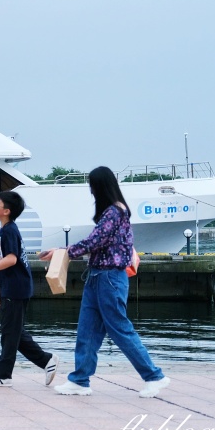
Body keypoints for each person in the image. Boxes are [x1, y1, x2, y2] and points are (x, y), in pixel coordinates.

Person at [41, 166, 170, 398]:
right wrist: (63, 251)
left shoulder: (114, 212)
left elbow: (94, 241)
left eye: (92, 186)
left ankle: (154, 376)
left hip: (109, 277)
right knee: (87, 330)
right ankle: (80, 380)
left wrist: (63, 251)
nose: (91, 191)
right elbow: (96, 242)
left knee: (119, 329)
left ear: (100, 186)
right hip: (99, 276)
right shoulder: (115, 211)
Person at [0, 190, 57, 388]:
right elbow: (12, 256)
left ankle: (3, 375)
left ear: (6, 211)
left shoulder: (8, 230)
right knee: (13, 331)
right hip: (16, 286)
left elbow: (12, 259)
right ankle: (46, 361)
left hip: (16, 287)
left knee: (10, 332)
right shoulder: (9, 229)